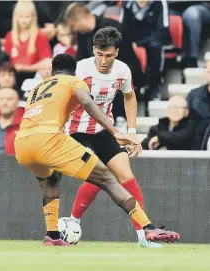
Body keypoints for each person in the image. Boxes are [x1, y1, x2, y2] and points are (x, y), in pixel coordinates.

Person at [14, 53, 179, 246]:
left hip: (22, 143)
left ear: (52, 71)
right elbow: (88, 103)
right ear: (74, 71)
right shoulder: (74, 81)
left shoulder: (37, 87)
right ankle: (148, 228)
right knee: (107, 177)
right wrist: (115, 131)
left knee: (50, 180)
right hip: (49, 138)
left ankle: (53, 235)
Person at [64, 26, 160, 248]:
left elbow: (130, 97)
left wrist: (133, 132)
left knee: (125, 174)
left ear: (117, 52)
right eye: (99, 54)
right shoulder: (80, 70)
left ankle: (143, 235)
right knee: (101, 174)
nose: (103, 60)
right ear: (93, 50)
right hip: (75, 132)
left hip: (103, 131)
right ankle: (72, 221)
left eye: (108, 55)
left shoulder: (123, 71)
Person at [64, 2, 145, 89]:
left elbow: (109, 58)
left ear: (79, 21)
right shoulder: (83, 35)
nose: (73, 30)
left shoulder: (111, 27)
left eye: (73, 26)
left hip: (122, 74)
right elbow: (80, 58)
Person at [124, 0, 171, 100]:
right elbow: (123, 27)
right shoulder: (127, 4)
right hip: (133, 39)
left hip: (154, 38)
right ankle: (134, 87)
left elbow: (162, 30)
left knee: (155, 46)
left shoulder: (160, 3)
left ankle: (154, 87)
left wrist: (140, 43)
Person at [4, 1, 52, 87]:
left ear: (33, 17)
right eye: (20, 16)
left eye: (27, 16)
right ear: (15, 17)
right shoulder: (10, 36)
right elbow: (5, 60)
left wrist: (24, 68)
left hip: (34, 78)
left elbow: (47, 62)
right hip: (14, 79)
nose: (24, 20)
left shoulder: (40, 35)